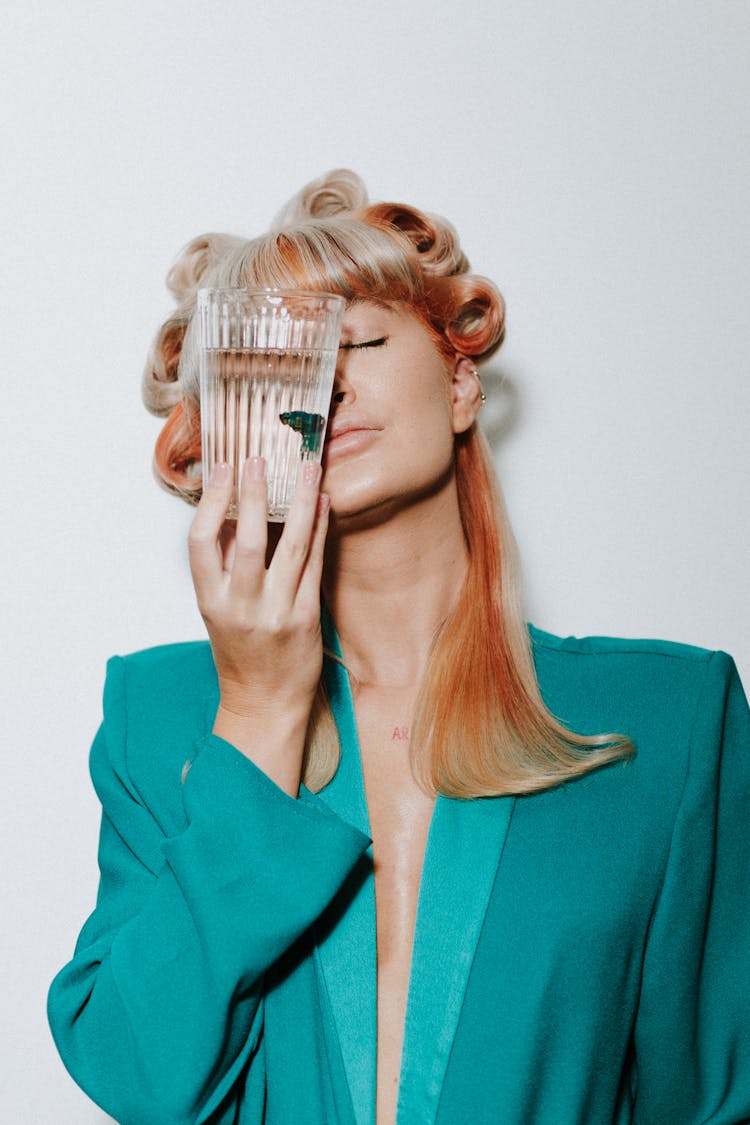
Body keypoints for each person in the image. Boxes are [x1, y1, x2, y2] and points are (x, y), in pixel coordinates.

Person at [48, 170, 750, 1125]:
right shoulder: (161, 718)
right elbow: (138, 1072)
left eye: (359, 341)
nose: (326, 383)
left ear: (462, 381)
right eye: (275, 365)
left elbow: (712, 1098)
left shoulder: (670, 722)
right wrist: (256, 716)